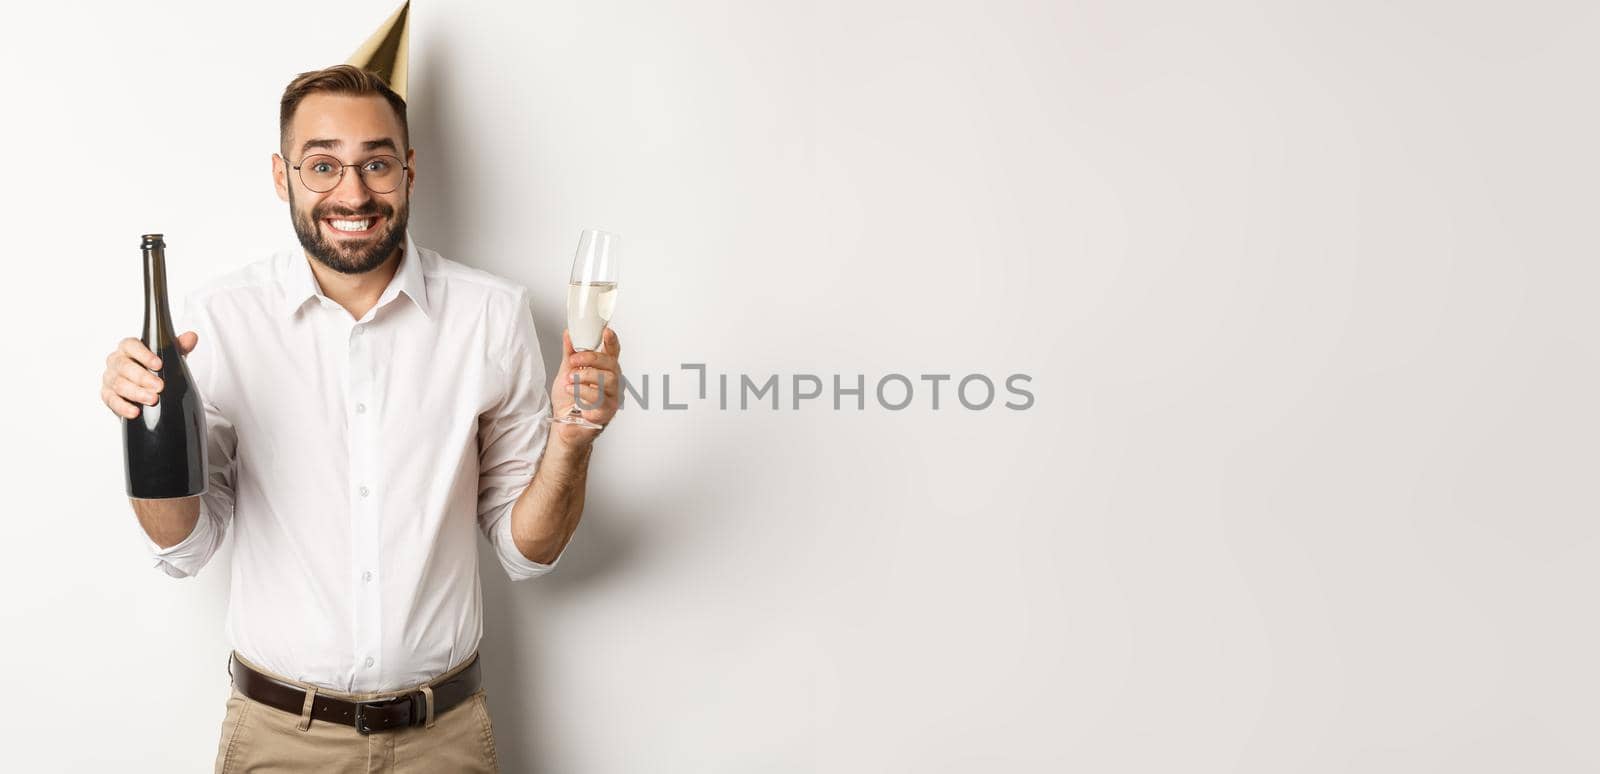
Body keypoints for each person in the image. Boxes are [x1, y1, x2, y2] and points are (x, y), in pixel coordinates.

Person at [97, 64, 622, 773]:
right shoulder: (220, 320)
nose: (352, 192)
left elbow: (526, 551)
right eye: (323, 165)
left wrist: (570, 444)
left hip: (447, 740)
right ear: (283, 177)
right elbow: (186, 548)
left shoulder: (491, 316)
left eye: (375, 163)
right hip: (279, 742)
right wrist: (143, 427)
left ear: (408, 171)